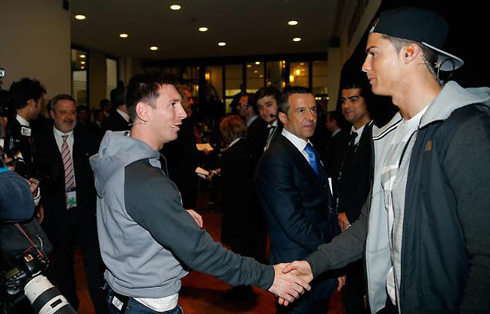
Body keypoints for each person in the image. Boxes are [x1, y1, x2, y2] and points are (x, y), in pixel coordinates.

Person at [283, 7, 490, 312]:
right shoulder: (390, 136)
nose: (365, 66)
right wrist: (314, 265)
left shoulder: (464, 129)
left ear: (409, 53)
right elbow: (370, 223)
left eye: (373, 54)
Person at [89, 72, 310, 314]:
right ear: (143, 111)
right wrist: (269, 277)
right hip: (147, 305)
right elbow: (200, 251)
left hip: (126, 294)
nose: (182, 113)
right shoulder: (145, 181)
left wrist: (173, 215)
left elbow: (131, 214)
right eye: (173, 105)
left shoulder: (121, 157)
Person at [255, 86, 339, 313]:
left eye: (313, 109)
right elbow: (293, 223)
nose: (310, 117)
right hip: (297, 270)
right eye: (301, 111)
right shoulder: (276, 158)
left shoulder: (307, 148)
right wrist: (334, 254)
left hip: (316, 266)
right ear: (283, 117)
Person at [35, 94, 106, 313]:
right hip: (57, 216)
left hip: (86, 213)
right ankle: (70, 309)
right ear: (52, 114)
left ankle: (102, 308)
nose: (69, 117)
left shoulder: (89, 137)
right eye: (63, 112)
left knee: (95, 267)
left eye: (72, 112)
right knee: (63, 268)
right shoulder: (39, 140)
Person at [335, 77, 374, 314]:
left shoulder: (380, 136)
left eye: (353, 99)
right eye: (343, 101)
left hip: (365, 225)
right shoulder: (341, 139)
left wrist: (351, 214)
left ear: (366, 101)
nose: (347, 105)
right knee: (349, 295)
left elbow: (374, 186)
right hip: (341, 228)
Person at [218, 115, 268, 299]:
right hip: (253, 208)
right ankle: (253, 282)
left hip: (237, 210)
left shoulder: (230, 155)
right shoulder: (252, 149)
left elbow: (228, 186)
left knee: (239, 252)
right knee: (251, 248)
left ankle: (242, 288)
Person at [160, 85, 206, 210]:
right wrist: (205, 152)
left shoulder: (187, 120)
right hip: (181, 177)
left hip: (182, 173)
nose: (192, 102)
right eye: (189, 99)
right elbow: (187, 152)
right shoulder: (181, 123)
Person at [238, 92, 268, 166]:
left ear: (250, 108)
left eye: (241, 105)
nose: (238, 107)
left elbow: (254, 156)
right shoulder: (249, 125)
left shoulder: (258, 128)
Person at [253, 86, 282, 151]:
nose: (264, 111)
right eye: (260, 107)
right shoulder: (263, 129)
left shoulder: (286, 129)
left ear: (279, 104)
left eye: (269, 105)